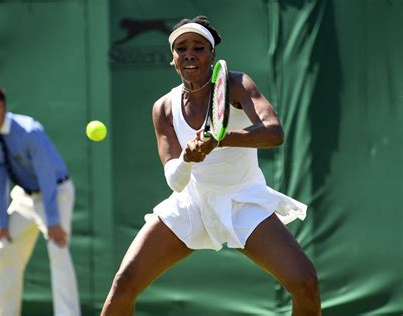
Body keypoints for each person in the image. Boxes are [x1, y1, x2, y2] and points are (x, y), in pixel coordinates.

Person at [101, 16, 321, 316]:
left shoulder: (237, 84)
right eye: (181, 48)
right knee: (124, 284)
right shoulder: (163, 108)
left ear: (212, 55)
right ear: (173, 59)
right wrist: (189, 159)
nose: (190, 53)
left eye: (199, 47)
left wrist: (220, 139)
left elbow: (273, 132)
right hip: (191, 203)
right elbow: (175, 181)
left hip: (243, 200)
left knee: (306, 283)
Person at [0, 81, 81, 316]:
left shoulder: (30, 131)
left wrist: (52, 221)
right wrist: (1, 223)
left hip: (55, 193)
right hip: (23, 196)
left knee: (58, 249)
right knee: (4, 247)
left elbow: (47, 177)